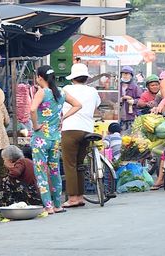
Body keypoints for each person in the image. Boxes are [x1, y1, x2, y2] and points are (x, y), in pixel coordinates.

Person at [32, 65, 81, 213]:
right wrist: (62, 117)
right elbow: (78, 105)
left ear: (40, 77)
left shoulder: (42, 92)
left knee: (41, 172)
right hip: (55, 138)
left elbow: (32, 109)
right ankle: (58, 205)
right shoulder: (61, 92)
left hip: (41, 138)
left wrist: (35, 125)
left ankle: (48, 206)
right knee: (55, 171)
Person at [61, 63, 99, 208]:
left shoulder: (66, 89)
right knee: (79, 164)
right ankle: (80, 196)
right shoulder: (93, 91)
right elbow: (96, 106)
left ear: (73, 78)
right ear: (86, 78)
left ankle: (72, 198)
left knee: (69, 164)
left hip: (70, 129)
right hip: (87, 130)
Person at [119, 66, 142, 132]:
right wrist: (119, 100)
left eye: (127, 74)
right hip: (119, 116)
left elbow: (141, 100)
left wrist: (133, 101)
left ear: (131, 76)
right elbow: (112, 98)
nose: (125, 76)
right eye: (124, 74)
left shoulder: (135, 87)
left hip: (131, 116)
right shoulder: (117, 86)